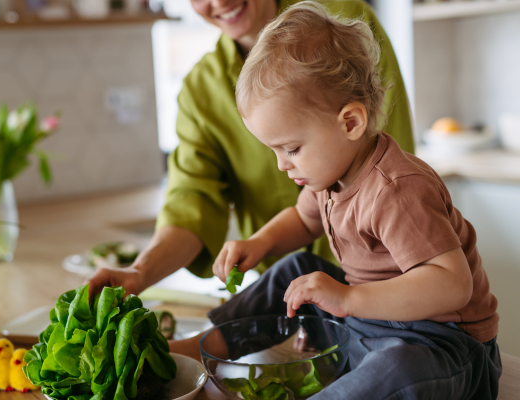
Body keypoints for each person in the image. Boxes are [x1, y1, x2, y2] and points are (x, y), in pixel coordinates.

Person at [171, 2, 501, 399]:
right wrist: (258, 243)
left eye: (291, 148)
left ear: (350, 122)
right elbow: (303, 219)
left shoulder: (397, 189)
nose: (281, 165)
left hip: (442, 345)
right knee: (294, 268)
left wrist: (346, 298)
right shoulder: (331, 175)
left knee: (398, 368)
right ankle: (204, 348)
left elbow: (452, 285)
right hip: (367, 324)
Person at [88, 0, 415, 299]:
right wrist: (139, 273)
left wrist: (346, 299)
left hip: (378, 291)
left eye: (292, 148)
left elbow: (384, 172)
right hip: (289, 295)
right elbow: (192, 202)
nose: (218, 2)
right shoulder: (200, 90)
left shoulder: (345, 24)